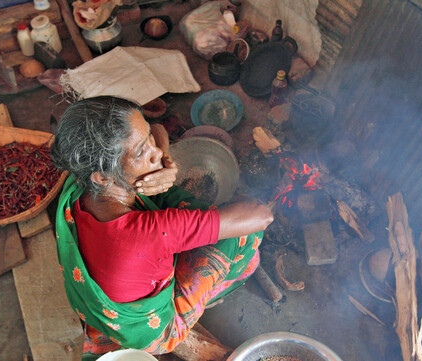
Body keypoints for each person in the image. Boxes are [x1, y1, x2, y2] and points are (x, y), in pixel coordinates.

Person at [51, 96, 273, 359]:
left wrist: (163, 156)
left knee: (177, 202)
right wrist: (240, 201)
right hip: (156, 333)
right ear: (102, 176)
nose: (156, 151)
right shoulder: (151, 232)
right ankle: (198, 305)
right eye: (142, 152)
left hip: (102, 310)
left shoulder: (79, 189)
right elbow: (261, 215)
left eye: (148, 143)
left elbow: (156, 129)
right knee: (243, 237)